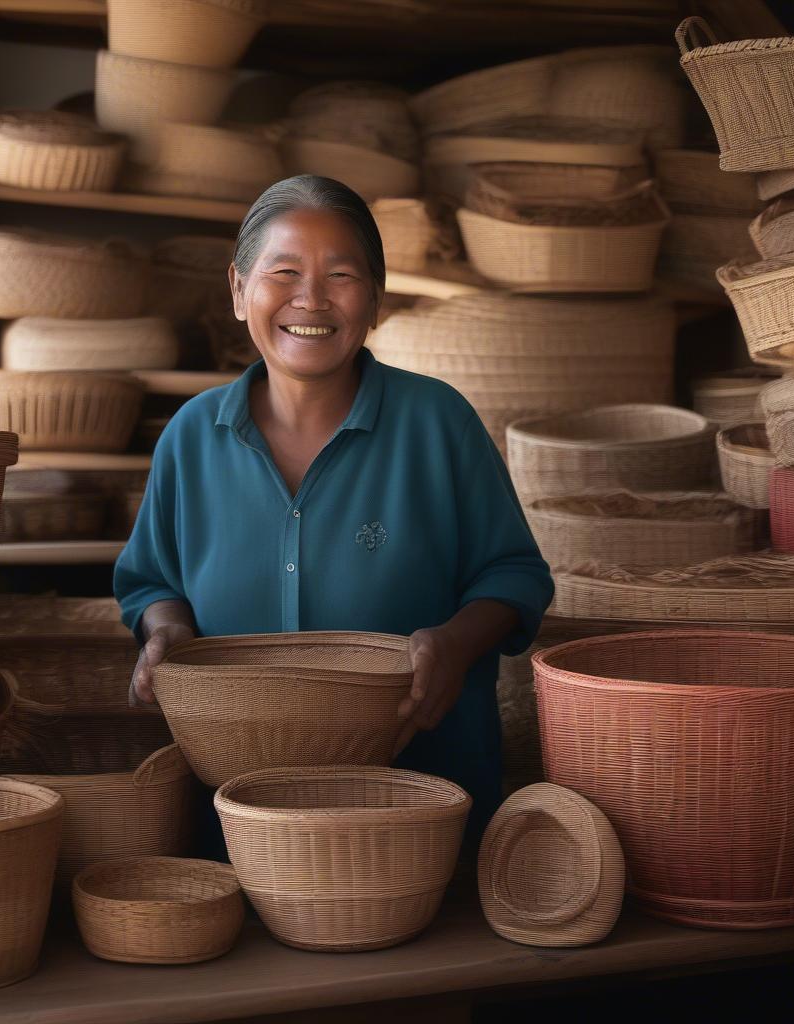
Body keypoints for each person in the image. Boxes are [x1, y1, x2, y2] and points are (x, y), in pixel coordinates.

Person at [114, 175, 554, 843]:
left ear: (375, 298)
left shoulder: (439, 424)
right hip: (234, 826)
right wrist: (167, 630)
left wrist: (457, 646)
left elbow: (515, 576)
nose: (311, 299)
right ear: (239, 290)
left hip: (419, 814)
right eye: (284, 271)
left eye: (341, 275)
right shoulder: (190, 437)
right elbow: (152, 580)